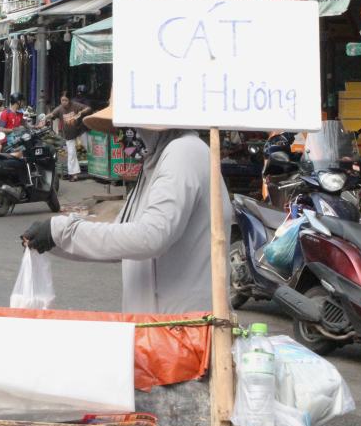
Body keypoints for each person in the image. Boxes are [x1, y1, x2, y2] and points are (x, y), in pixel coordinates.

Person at [22, 98, 231, 314]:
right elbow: (120, 239)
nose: (121, 138)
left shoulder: (184, 152)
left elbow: (151, 236)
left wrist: (61, 231)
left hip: (184, 326)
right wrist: (54, 241)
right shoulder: (154, 165)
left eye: (125, 128)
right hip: (158, 327)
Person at [42, 91, 91, 181]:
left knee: (88, 148)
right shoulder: (60, 109)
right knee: (71, 154)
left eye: (66, 100)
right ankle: (73, 175)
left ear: (69, 100)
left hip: (80, 131)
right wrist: (44, 118)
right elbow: (52, 114)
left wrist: (81, 112)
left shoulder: (75, 105)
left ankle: (95, 171)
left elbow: (88, 108)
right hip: (69, 134)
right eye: (62, 100)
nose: (64, 102)